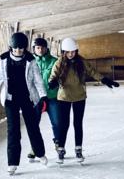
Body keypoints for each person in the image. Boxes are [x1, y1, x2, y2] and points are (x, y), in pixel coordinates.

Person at [0, 32, 48, 175]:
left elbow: (38, 80)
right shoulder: (4, 60)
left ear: (25, 48)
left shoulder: (31, 60)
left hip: (27, 98)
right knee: (13, 131)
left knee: (32, 127)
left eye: (21, 48)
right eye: (15, 48)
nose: (18, 51)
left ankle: (40, 153)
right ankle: (12, 163)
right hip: (10, 99)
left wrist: (43, 97)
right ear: (11, 47)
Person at [48, 37, 119, 165]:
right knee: (64, 124)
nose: (70, 54)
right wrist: (52, 82)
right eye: (68, 52)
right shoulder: (59, 63)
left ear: (76, 50)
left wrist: (105, 80)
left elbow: (93, 72)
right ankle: (61, 150)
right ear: (63, 52)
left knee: (77, 124)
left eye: (73, 51)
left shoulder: (82, 62)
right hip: (63, 97)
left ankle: (78, 149)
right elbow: (53, 76)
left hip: (80, 96)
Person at [28, 37, 59, 161]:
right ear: (34, 49)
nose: (40, 50)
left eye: (42, 47)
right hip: (36, 99)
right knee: (34, 124)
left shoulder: (54, 61)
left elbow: (60, 75)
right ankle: (34, 147)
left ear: (46, 48)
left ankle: (59, 144)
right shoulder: (29, 62)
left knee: (57, 123)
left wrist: (56, 82)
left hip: (52, 96)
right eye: (37, 48)